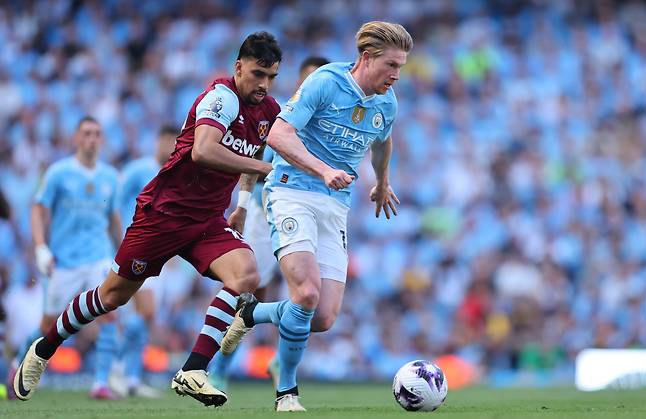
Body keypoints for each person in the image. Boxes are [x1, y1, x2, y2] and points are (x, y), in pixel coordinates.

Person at [13, 32, 282, 408]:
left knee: (246, 275)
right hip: (164, 214)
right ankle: (45, 347)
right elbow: (204, 151)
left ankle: (194, 369)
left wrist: (243, 202)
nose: (264, 85)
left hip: (207, 220)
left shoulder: (269, 110)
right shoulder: (220, 98)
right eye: (257, 74)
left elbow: (252, 154)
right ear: (238, 67)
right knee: (112, 297)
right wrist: (264, 166)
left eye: (271, 76)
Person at [220, 21, 413, 411]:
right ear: (366, 57)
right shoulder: (326, 81)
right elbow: (277, 135)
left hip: (334, 207)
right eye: (391, 65)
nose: (396, 75)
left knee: (322, 317)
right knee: (305, 294)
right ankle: (286, 392)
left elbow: (383, 138)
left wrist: (382, 180)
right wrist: (322, 170)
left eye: (401, 68)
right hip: (292, 192)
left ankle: (252, 311)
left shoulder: (386, 101)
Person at [208, 56, 330, 391]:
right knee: (250, 289)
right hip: (269, 208)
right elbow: (253, 159)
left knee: (307, 292)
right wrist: (244, 204)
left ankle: (279, 361)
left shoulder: (332, 122)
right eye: (308, 80)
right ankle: (220, 366)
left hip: (312, 211)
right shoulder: (280, 116)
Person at [16, 116, 123, 400]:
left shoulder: (111, 176)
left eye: (97, 134)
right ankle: (18, 364)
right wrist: (40, 247)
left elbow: (113, 218)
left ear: (102, 140)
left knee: (109, 313)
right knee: (48, 325)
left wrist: (124, 253)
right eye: (86, 133)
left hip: (98, 256)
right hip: (64, 260)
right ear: (76, 138)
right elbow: (38, 209)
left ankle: (101, 383)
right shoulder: (58, 173)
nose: (91, 138)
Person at [114, 125, 178, 397]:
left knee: (145, 315)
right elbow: (115, 204)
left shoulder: (177, 172)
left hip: (160, 252)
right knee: (147, 310)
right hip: (135, 248)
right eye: (166, 140)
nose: (170, 145)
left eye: (174, 140)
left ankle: (130, 377)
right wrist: (120, 240)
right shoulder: (137, 170)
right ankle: (117, 366)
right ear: (157, 141)